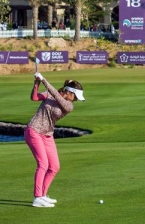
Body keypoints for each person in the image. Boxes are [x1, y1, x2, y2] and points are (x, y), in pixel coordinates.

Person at [25, 72, 85, 208]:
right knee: (43, 164)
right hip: (34, 131)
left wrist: (43, 79)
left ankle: (43, 195)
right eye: (75, 96)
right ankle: (38, 197)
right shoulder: (50, 94)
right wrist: (37, 82)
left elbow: (57, 96)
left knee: (54, 167)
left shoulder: (69, 106)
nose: (75, 100)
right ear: (69, 92)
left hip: (47, 135)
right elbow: (34, 97)